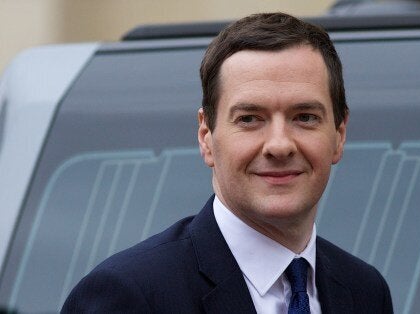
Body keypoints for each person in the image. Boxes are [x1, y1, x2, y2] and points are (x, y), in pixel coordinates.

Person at [62, 12, 393, 313]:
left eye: (304, 117)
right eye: (250, 119)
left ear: (339, 134)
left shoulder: (365, 292)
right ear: (206, 136)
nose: (279, 145)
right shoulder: (130, 296)